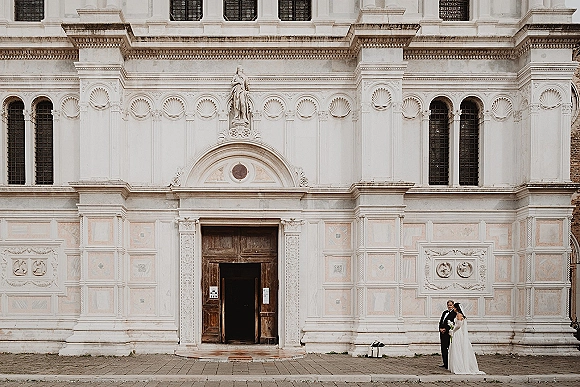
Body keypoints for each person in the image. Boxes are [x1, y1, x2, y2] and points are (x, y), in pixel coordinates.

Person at [448, 302, 485, 375]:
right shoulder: (461, 315)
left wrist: (452, 330)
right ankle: (459, 365)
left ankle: (459, 366)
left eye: (454, 307)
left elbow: (458, 325)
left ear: (456, 308)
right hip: (459, 333)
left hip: (457, 333)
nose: (453, 309)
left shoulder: (459, 315)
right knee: (460, 349)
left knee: (458, 348)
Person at [438, 299, 456, 369]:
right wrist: (440, 329)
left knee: (448, 348)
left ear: (453, 305)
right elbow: (441, 321)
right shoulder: (444, 312)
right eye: (448, 305)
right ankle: (445, 363)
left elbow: (453, 323)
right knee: (443, 348)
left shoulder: (454, 313)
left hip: (448, 333)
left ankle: (449, 364)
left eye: (451, 305)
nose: (449, 306)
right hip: (442, 333)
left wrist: (445, 329)